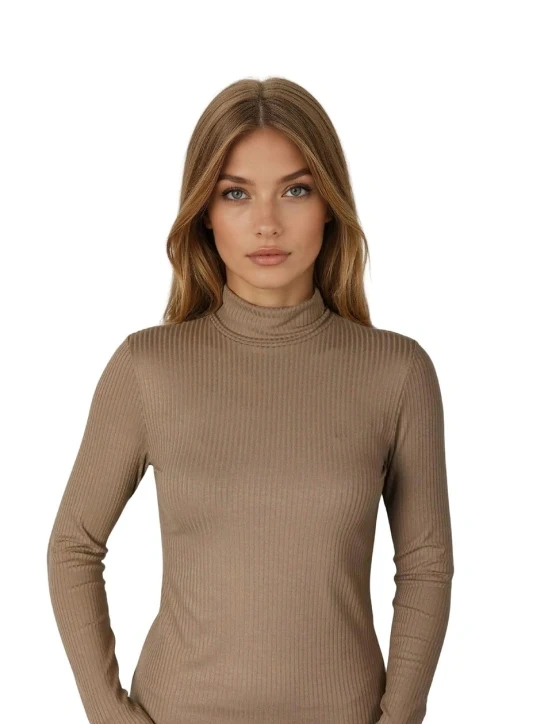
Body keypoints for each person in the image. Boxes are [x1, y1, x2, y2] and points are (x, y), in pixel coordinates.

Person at [47, 76, 454, 724]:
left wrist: (398, 718)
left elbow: (426, 563)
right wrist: (110, 715)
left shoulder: (397, 373)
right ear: (205, 211)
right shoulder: (147, 369)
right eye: (236, 193)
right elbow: (73, 545)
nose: (267, 223)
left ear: (329, 204)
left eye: (296, 190)